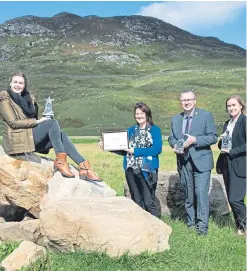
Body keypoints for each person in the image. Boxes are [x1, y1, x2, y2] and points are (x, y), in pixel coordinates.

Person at [0, 71, 102, 182]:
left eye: (21, 83)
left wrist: (36, 112)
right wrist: (37, 122)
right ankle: (61, 162)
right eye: (15, 82)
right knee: (52, 123)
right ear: (10, 83)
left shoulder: (27, 100)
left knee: (62, 135)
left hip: (27, 137)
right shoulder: (5, 99)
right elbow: (13, 123)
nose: (17, 85)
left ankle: (84, 167)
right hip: (15, 141)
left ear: (24, 85)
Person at [100, 102, 162, 217]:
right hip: (130, 169)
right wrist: (108, 147)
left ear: (147, 114)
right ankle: (141, 227)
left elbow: (156, 149)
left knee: (149, 201)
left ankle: (157, 227)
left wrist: (136, 151)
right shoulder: (130, 130)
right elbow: (123, 149)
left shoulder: (154, 130)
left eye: (142, 113)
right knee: (136, 201)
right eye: (137, 114)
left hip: (147, 169)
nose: (139, 116)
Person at [168, 90, 217, 235]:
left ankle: (202, 228)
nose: (187, 102)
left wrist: (195, 140)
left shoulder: (205, 115)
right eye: (184, 100)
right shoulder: (175, 119)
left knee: (201, 194)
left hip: (202, 161)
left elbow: (213, 137)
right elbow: (171, 138)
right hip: (183, 162)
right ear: (180, 102)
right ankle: (190, 224)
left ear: (195, 101)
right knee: (188, 195)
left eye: (190, 99)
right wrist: (175, 144)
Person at [217, 95, 246, 236]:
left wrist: (232, 151)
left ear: (241, 106)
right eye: (229, 106)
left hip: (240, 165)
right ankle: (240, 229)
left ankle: (246, 226)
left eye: (234, 105)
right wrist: (221, 142)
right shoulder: (227, 123)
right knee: (230, 197)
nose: (231, 108)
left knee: (236, 199)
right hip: (226, 164)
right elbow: (223, 145)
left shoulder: (244, 121)